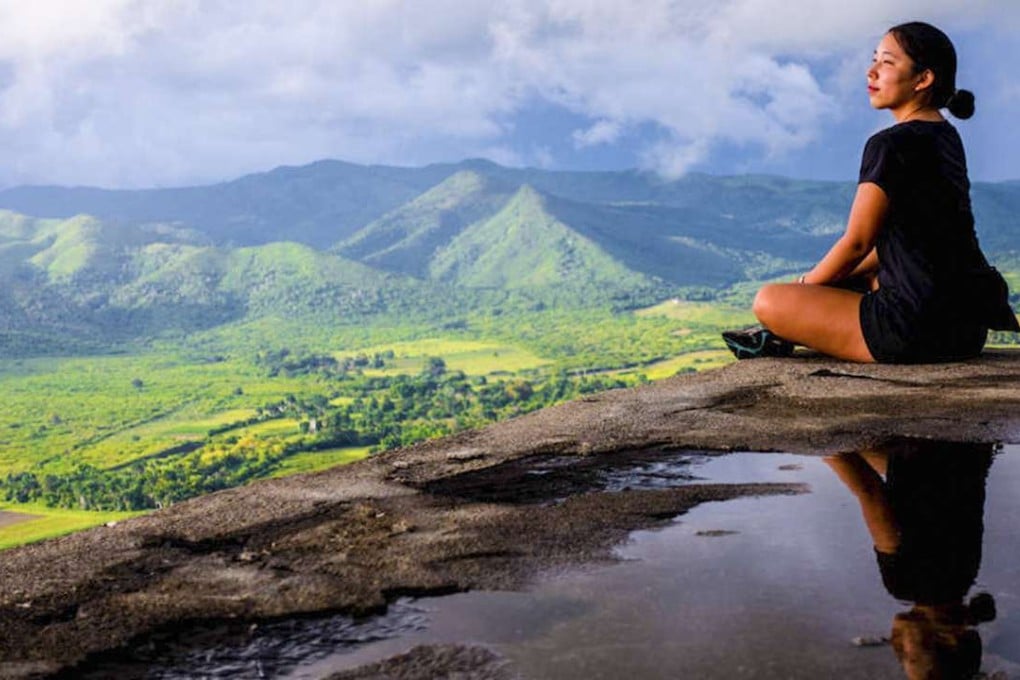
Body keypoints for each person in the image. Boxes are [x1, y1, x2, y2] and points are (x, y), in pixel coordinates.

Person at [724, 21, 1019, 363]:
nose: (871, 72)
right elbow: (909, 241)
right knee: (859, 273)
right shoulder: (946, 137)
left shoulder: (888, 145)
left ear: (923, 79)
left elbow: (858, 242)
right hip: (965, 329)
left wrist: (804, 288)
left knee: (769, 301)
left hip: (912, 329)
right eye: (874, 59)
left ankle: (783, 329)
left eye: (887, 63)